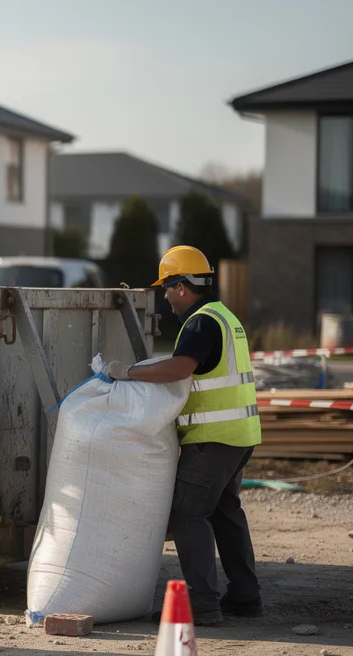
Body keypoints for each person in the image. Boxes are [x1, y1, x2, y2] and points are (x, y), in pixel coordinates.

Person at [104, 245, 263, 626]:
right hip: (239, 435)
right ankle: (245, 596)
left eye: (167, 288)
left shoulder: (201, 322)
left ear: (181, 286)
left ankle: (202, 605)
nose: (166, 297)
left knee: (188, 514)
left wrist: (128, 373)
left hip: (212, 438)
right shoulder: (225, 316)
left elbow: (179, 369)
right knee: (224, 512)